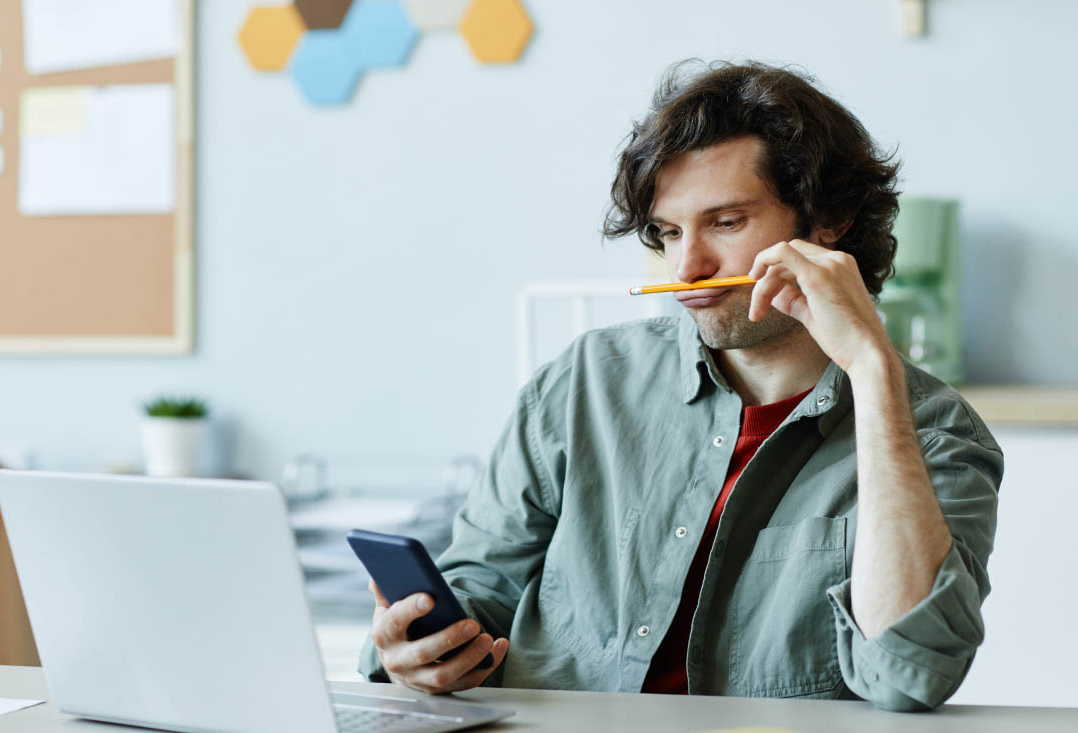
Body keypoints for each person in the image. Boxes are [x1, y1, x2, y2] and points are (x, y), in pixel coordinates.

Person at [358, 61, 1002, 711]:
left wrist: (872, 370)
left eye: (725, 222)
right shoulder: (586, 381)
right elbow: (482, 582)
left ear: (828, 218)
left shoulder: (935, 431)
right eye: (669, 232)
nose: (687, 268)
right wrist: (418, 645)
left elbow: (907, 674)